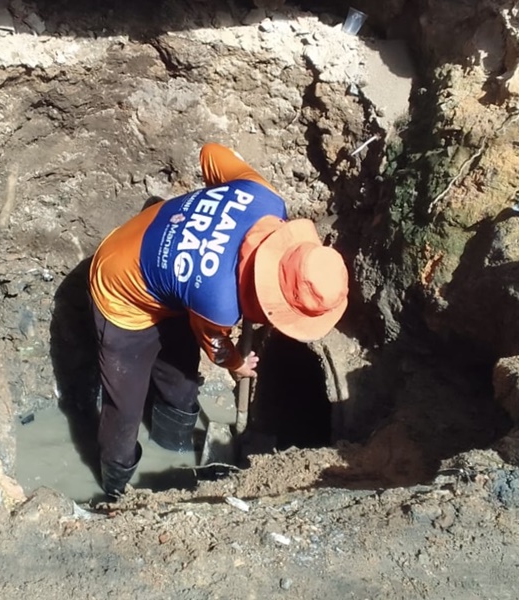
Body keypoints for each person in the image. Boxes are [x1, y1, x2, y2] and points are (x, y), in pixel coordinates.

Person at [88, 143, 349, 497]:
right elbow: (216, 347)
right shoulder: (220, 302)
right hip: (120, 289)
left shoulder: (263, 197)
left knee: (180, 381)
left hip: (171, 274)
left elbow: (210, 152)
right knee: (125, 409)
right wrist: (238, 365)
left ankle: (174, 446)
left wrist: (214, 223)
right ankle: (115, 489)